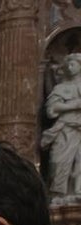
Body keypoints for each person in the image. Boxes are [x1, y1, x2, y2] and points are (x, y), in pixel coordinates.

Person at [41, 53, 81, 200]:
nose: (70, 68)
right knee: (58, 162)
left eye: (73, 64)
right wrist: (73, 105)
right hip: (64, 128)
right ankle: (58, 195)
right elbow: (51, 110)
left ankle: (77, 193)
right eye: (68, 65)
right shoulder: (61, 88)